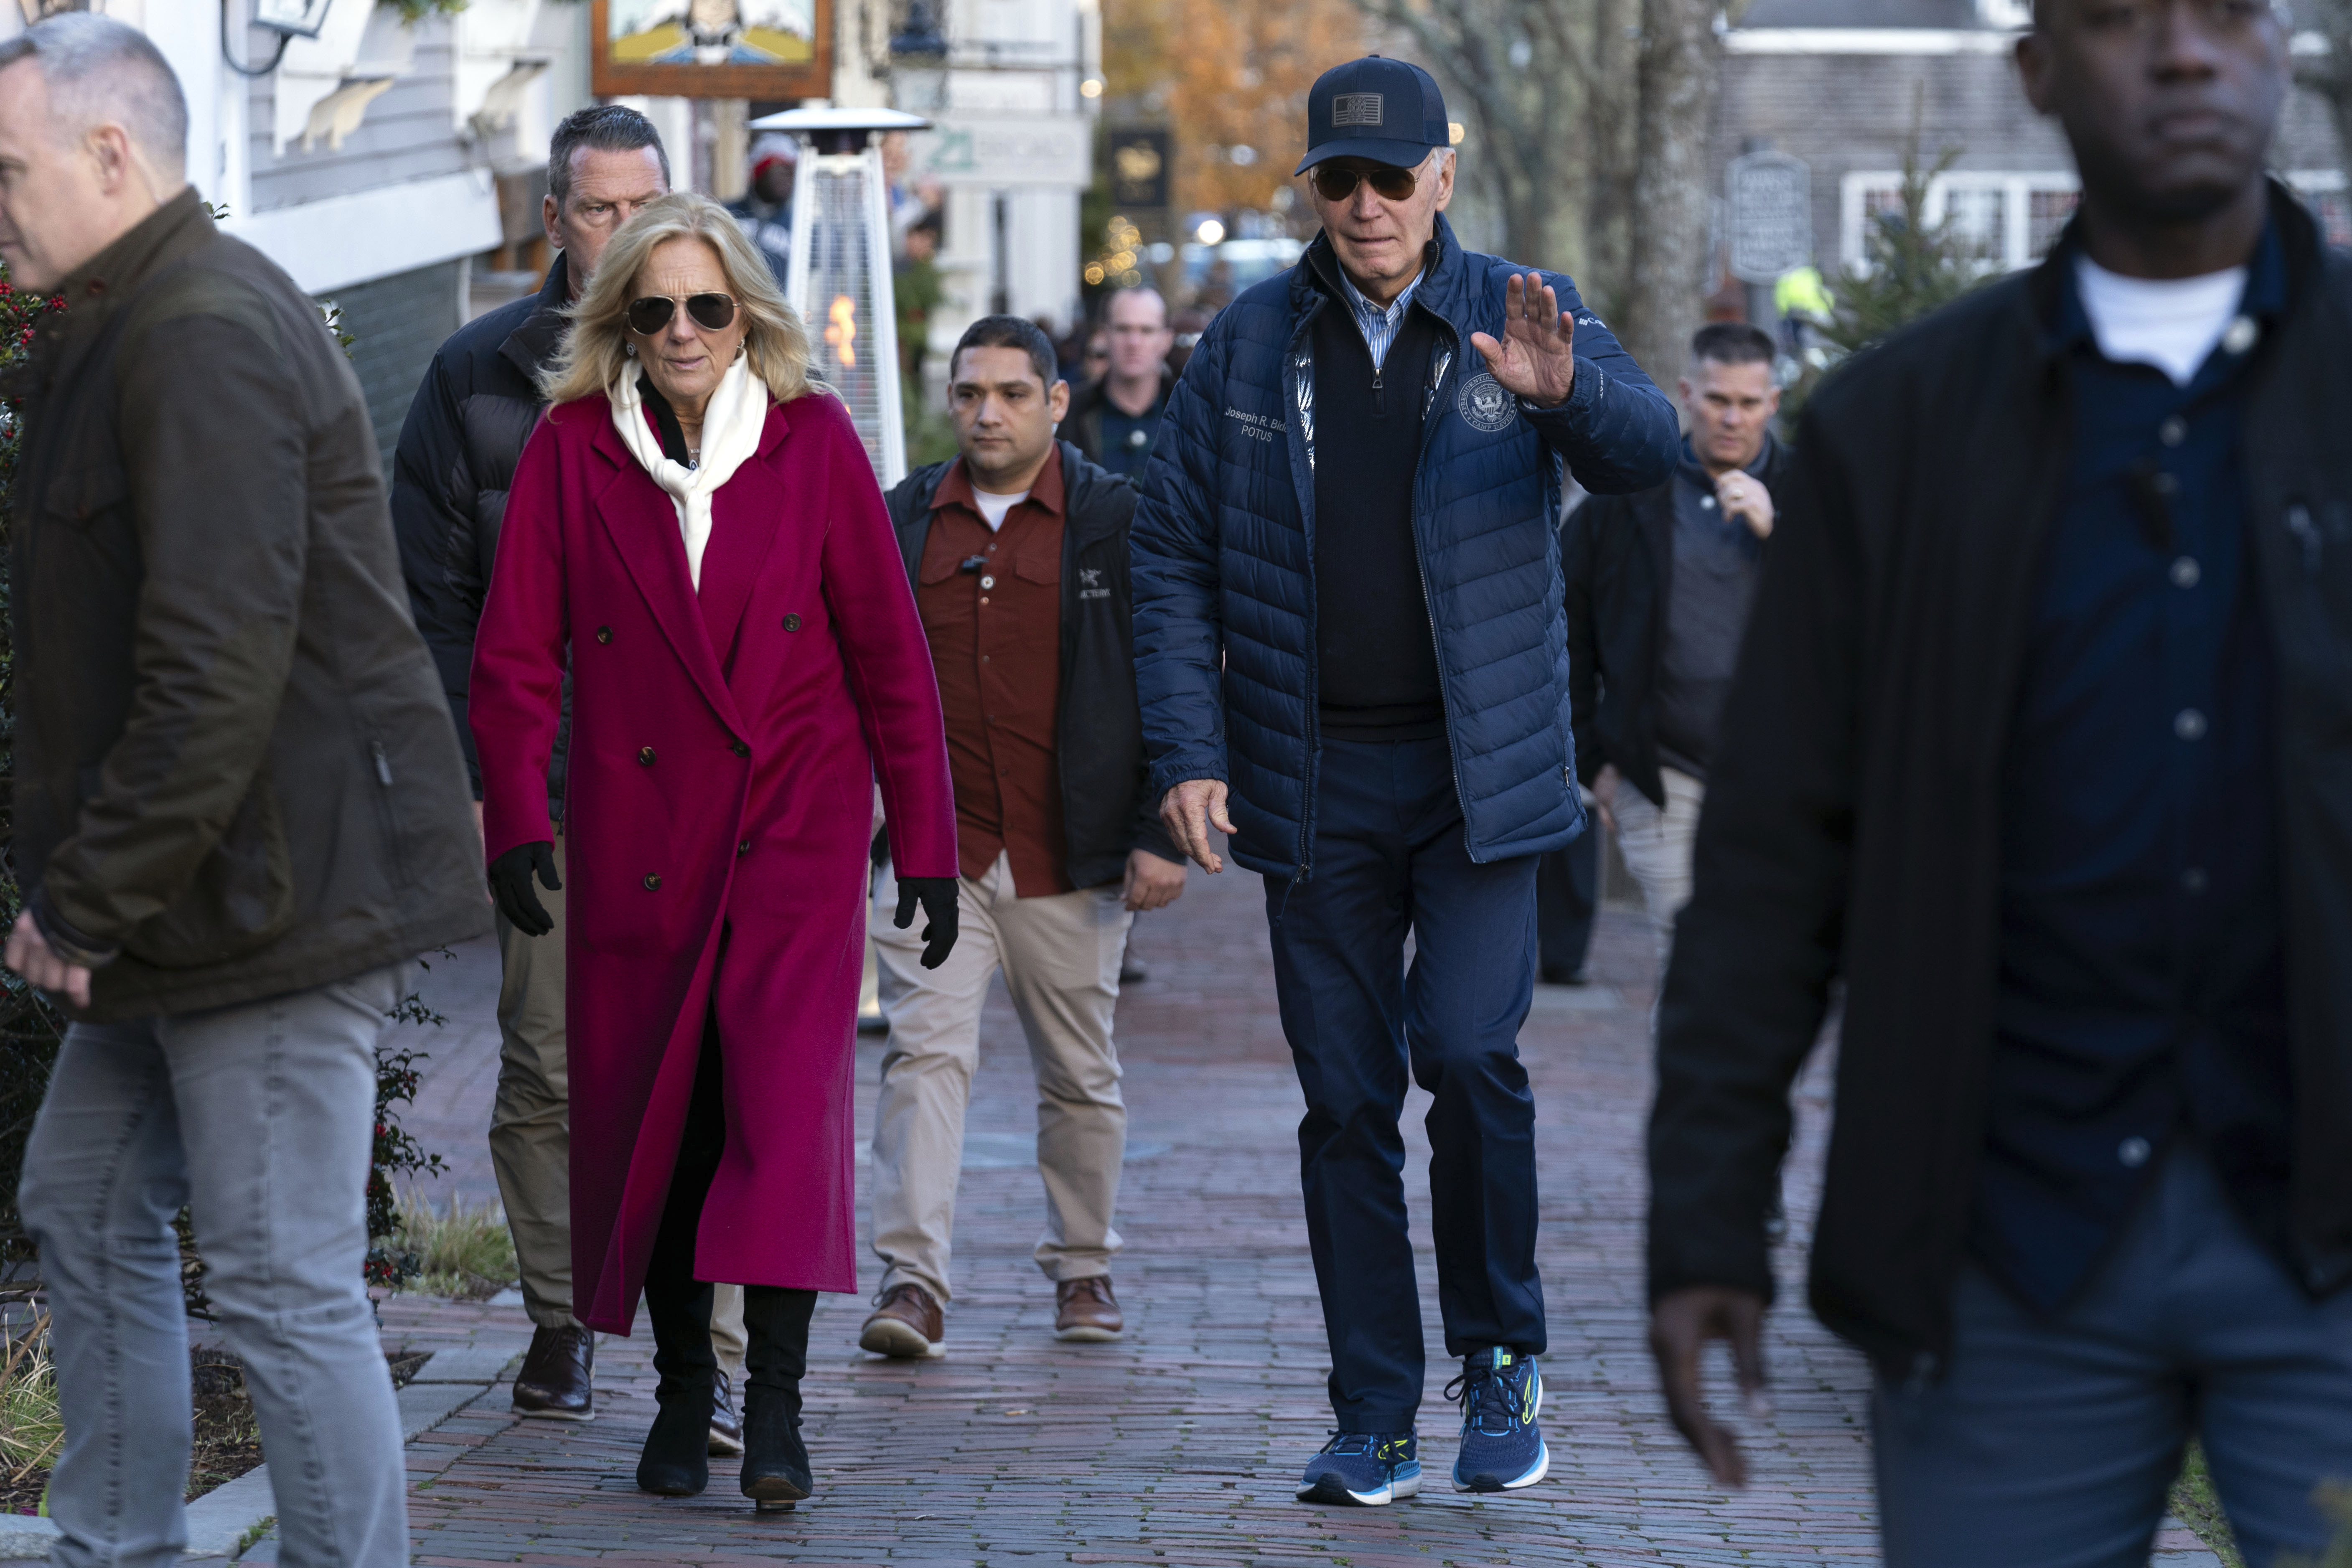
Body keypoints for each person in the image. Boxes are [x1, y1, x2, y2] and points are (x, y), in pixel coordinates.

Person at [1646, 3, 2352, 1563]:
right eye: (2118, 18)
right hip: (1999, 1251)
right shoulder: (1894, 436)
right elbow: (1770, 861)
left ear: (2279, 49)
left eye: (2223, 13)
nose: (2180, 55)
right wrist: (1705, 1212)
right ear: (2033, 67)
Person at [1133, 54, 1679, 1507]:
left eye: (1390, 176)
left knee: (1467, 1049)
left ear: (1442, 174)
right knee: (1341, 1097)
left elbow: (1649, 448)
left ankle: (1499, 1361)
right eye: (1338, 180)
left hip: (1480, 776)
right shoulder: (1248, 345)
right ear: (1312, 190)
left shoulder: (1520, 312)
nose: (1365, 204)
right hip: (1308, 781)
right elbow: (1169, 557)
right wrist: (1186, 751)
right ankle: (1371, 1411)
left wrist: (1564, 399)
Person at [0, 16, 491, 1566]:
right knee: (82, 1204)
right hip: (195, 909)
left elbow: (214, 662)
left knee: (282, 1282)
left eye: (6, 169)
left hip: (269, 903)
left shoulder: (197, 329)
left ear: (109, 153)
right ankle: (116, 1544)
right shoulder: (128, 322)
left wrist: (83, 898)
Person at [467, 192, 960, 1508]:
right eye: (654, 310)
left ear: (747, 310)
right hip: (639, 848)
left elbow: (890, 659)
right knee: (667, 1132)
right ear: (619, 322)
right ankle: (689, 1394)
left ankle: (783, 1413)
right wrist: (517, 817)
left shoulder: (812, 441)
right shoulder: (574, 449)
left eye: (705, 305)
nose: (681, 331)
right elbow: (515, 658)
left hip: (791, 836)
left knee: (782, 1126)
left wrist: (923, 843)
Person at [392, 103, 709, 1438]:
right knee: (545, 1067)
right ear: (554, 217)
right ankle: (559, 1319)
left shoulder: (730, 359)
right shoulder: (475, 378)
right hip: (556, 785)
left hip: (702, 790)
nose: (622, 232)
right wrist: (485, 778)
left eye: (645, 204)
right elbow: (434, 605)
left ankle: (720, 1360)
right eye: (597, 207)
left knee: (712, 1071)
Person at [860, 316, 1189, 1359]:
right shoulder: (904, 518)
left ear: (1057, 400)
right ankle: (913, 1283)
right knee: (923, 1057)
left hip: (1067, 851)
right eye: (969, 393)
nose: (987, 412)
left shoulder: (1116, 520)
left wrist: (1159, 833)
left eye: (1010, 392)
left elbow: (1167, 681)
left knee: (1079, 1071)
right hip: (933, 852)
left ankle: (1083, 1266)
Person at [1564, 321, 1787, 965]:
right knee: (1694, 956)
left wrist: (1781, 533)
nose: (1732, 418)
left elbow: (1858, 611)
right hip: (1664, 775)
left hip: (1781, 779)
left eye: (1748, 404)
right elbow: (1566, 625)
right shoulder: (1627, 496)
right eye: (1718, 399)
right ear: (1688, 393)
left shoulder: (1809, 495)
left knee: (1767, 968)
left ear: (1772, 403)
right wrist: (1593, 761)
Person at [1065, 285, 1175, 478]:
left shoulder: (1194, 414)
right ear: (1105, 336)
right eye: (1123, 329)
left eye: (1147, 331)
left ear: (1166, 340)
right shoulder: (1068, 413)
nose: (1134, 342)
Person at [730, 131, 794, 287]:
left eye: (791, 172)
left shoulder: (799, 225)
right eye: (778, 167)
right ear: (759, 172)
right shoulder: (726, 215)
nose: (786, 178)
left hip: (781, 310)